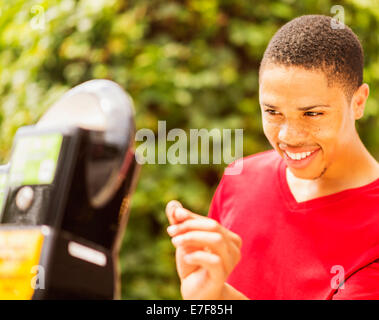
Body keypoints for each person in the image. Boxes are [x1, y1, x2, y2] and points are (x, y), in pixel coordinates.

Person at [165, 14, 379, 300]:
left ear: (358, 102)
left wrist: (219, 298)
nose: (289, 136)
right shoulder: (240, 178)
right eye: (273, 112)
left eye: (313, 113)